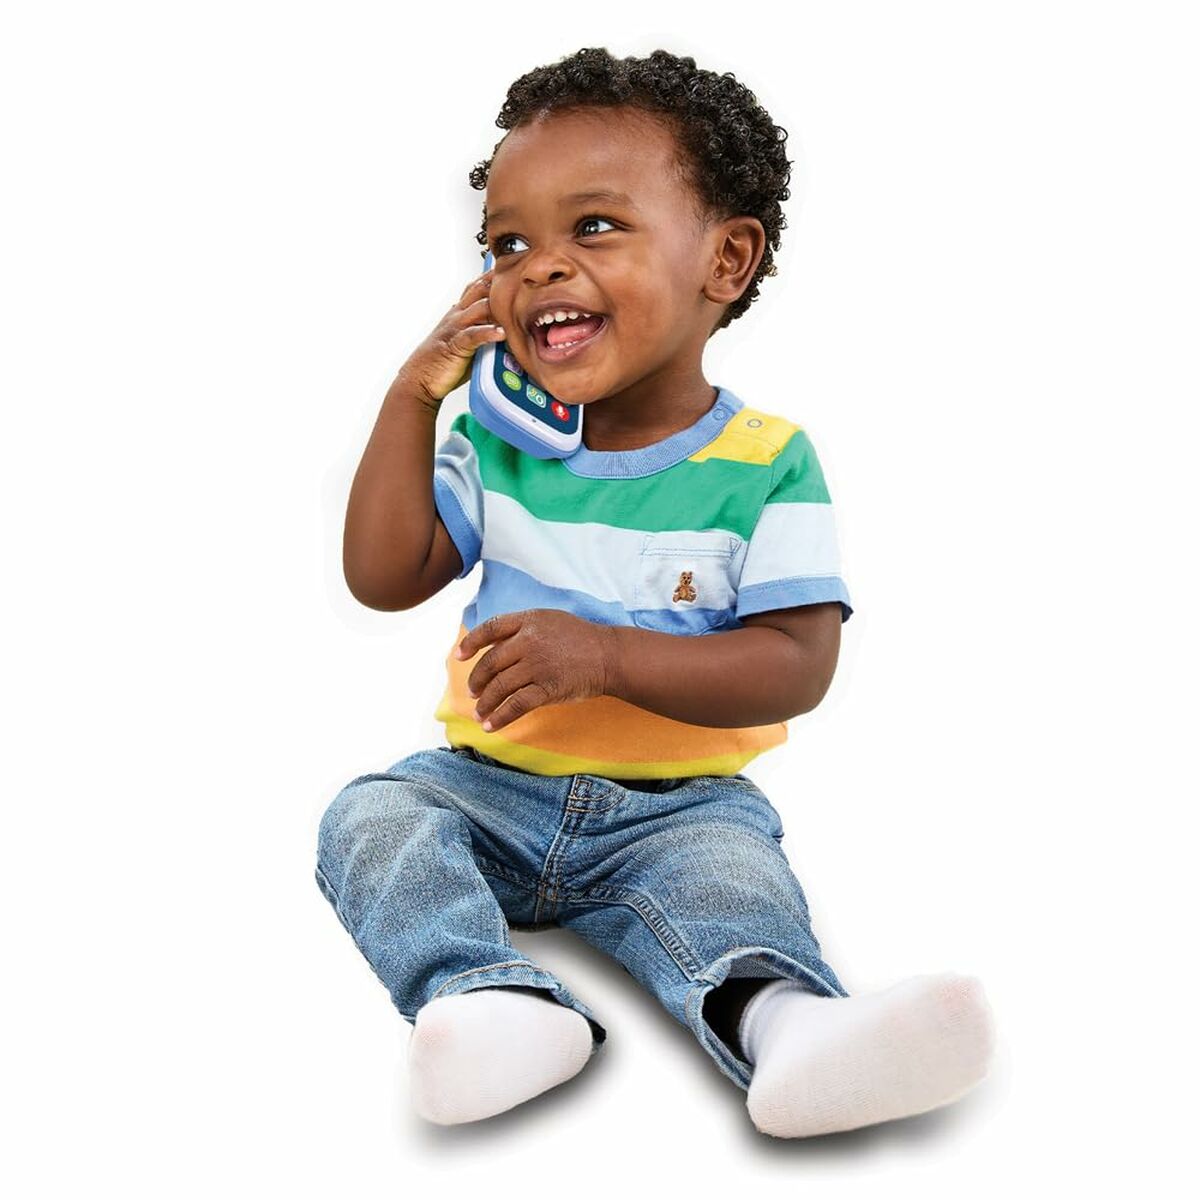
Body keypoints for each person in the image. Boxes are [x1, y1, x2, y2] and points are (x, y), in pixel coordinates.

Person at [315, 46, 995, 1136]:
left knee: (730, 891)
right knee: (372, 819)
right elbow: (383, 577)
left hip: (682, 808)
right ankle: (489, 1002)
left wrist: (604, 657)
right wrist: (412, 398)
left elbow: (796, 664)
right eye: (507, 243)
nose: (539, 267)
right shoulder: (499, 446)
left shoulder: (766, 462)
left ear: (725, 259)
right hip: (489, 787)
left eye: (593, 227)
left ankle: (791, 1029)